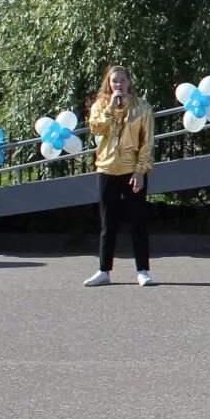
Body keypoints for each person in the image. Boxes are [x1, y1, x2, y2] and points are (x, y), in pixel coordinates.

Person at [82, 65, 155, 288]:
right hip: (107, 169)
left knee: (137, 221)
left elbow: (147, 141)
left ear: (129, 83)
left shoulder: (142, 107)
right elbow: (95, 129)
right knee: (108, 222)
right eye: (114, 81)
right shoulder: (100, 106)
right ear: (109, 84)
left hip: (131, 170)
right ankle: (104, 270)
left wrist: (141, 170)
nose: (119, 85)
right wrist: (111, 110)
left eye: (122, 81)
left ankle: (142, 270)